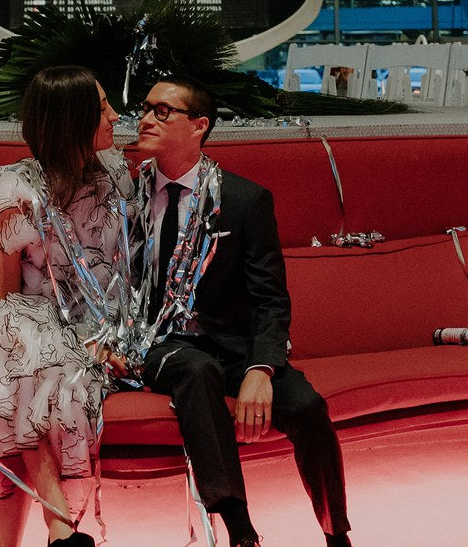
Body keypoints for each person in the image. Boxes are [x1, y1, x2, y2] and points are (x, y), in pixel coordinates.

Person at [132, 75, 352, 547]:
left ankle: (338, 534)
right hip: (155, 344)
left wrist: (260, 368)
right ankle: (240, 530)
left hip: (233, 344)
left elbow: (270, 298)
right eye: (145, 108)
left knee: (308, 407)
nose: (146, 118)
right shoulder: (125, 197)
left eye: (163, 111)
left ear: (199, 125)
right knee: (196, 369)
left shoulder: (243, 200)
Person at [0, 65, 129, 547]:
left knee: (4, 389)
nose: (116, 117)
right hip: (24, 342)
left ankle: (42, 535)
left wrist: (105, 341)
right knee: (13, 367)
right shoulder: (15, 192)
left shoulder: (116, 177)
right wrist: (44, 345)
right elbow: (2, 300)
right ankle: (58, 528)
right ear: (70, 121)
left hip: (98, 341)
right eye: (101, 110)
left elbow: (130, 275)